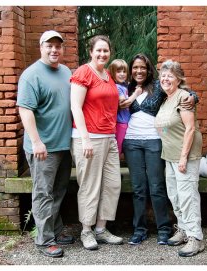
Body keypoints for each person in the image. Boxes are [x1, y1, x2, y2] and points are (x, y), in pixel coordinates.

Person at [122, 54, 198, 245]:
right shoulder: (126, 87)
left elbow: (180, 92)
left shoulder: (158, 86)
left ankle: (164, 229)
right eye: (135, 67)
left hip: (155, 142)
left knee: (157, 186)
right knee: (139, 188)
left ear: (148, 70)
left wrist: (194, 97)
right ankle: (139, 230)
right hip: (132, 142)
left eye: (143, 68)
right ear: (131, 69)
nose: (139, 71)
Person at [16, 30, 75, 258]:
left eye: (58, 46)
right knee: (43, 193)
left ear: (62, 49)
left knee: (58, 191)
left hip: (62, 146)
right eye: (49, 46)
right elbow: (25, 110)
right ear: (41, 47)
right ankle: (44, 240)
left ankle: (56, 231)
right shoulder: (31, 75)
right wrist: (37, 141)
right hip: (43, 148)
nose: (54, 50)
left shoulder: (65, 71)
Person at [70, 35, 123, 250]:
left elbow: (109, 104)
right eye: (98, 50)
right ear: (91, 52)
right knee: (90, 186)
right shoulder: (83, 72)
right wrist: (85, 139)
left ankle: (101, 229)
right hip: (89, 138)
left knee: (112, 184)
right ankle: (86, 231)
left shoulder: (107, 75)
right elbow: (75, 106)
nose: (102, 54)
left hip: (109, 137)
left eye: (106, 51)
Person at [155, 60, 204, 257]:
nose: (165, 79)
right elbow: (166, 125)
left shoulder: (184, 97)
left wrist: (183, 157)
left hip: (185, 156)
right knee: (175, 196)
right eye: (163, 75)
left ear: (179, 79)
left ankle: (195, 238)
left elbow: (190, 129)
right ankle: (183, 229)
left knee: (188, 197)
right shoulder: (166, 99)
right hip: (170, 156)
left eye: (170, 76)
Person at [108, 59, 142, 158]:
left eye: (124, 71)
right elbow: (123, 103)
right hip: (120, 123)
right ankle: (114, 171)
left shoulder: (124, 86)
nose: (122, 74)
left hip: (125, 122)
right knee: (118, 149)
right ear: (113, 73)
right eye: (118, 72)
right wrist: (136, 94)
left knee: (122, 147)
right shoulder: (117, 87)